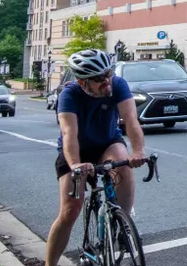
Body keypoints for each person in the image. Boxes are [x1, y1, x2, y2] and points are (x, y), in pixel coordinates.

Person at [46, 49, 146, 266]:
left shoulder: (118, 85)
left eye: (108, 74)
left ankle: (122, 225)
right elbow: (68, 133)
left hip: (107, 143)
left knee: (124, 166)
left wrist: (137, 152)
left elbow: (131, 121)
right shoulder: (69, 94)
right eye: (99, 79)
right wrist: (75, 164)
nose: (106, 81)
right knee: (70, 211)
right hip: (75, 150)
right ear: (83, 83)